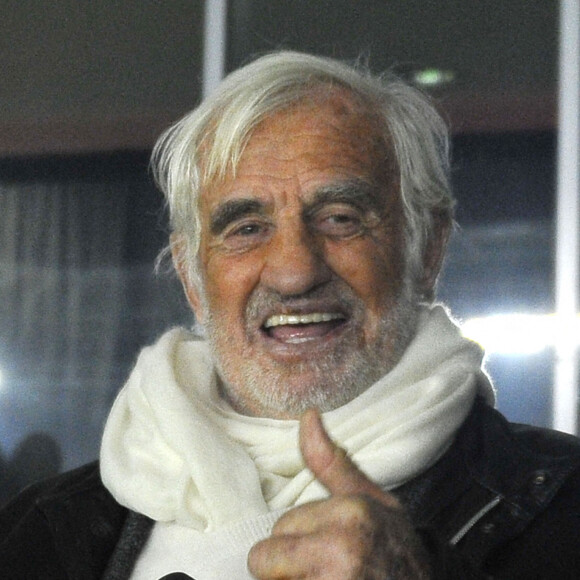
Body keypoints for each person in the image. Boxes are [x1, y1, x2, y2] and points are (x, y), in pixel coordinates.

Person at [1, 51, 579, 579]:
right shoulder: (37, 532)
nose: (294, 272)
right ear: (192, 278)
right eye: (246, 229)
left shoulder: (564, 509)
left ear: (426, 251)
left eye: (341, 217)